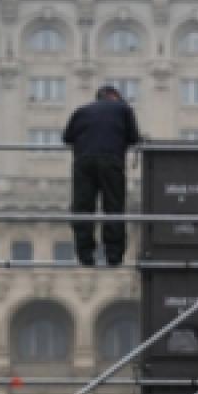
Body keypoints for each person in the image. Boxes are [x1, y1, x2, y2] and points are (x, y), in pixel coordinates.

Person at [62, 85, 141, 266]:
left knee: (83, 209)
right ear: (114, 96)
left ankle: (85, 255)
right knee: (113, 208)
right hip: (111, 161)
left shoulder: (81, 111)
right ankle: (113, 256)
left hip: (84, 162)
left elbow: (67, 137)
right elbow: (134, 137)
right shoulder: (123, 109)